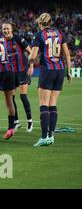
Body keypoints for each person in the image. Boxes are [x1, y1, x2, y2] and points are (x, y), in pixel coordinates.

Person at [28, 13, 72, 147]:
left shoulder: (39, 35)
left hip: (47, 70)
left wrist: (29, 61)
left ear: (40, 23)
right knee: (52, 104)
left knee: (43, 104)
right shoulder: (59, 33)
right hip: (60, 70)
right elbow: (67, 53)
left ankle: (43, 137)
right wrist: (68, 71)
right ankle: (51, 136)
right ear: (50, 22)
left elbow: (34, 56)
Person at [2, 22, 33, 132]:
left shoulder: (18, 39)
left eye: (7, 29)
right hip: (11, 72)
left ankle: (30, 121)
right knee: (11, 97)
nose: (6, 31)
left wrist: (31, 65)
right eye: (4, 29)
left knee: (23, 96)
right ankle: (16, 121)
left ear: (12, 29)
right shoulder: (2, 41)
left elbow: (31, 52)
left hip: (23, 70)